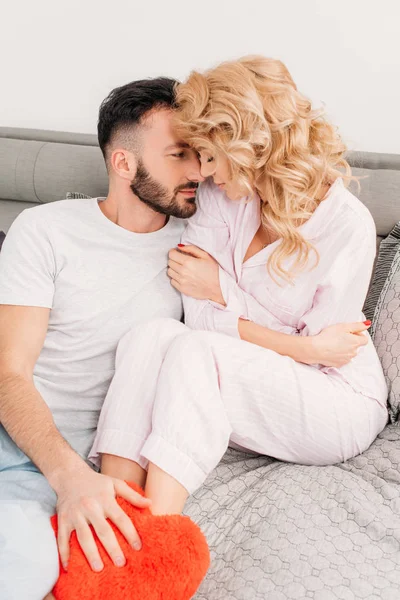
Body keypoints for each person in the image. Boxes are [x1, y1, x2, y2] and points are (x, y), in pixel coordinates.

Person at [89, 55, 389, 522]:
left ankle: (157, 538)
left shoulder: (346, 226)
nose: (203, 172)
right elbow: (200, 313)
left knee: (194, 352)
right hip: (278, 365)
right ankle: (111, 515)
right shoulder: (219, 199)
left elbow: (327, 356)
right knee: (148, 337)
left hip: (336, 399)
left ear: (250, 144)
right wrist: (298, 340)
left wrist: (225, 294)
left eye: (210, 154)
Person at [0, 77, 207, 600]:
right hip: (20, 438)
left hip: (71, 467)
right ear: (123, 164)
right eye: (179, 154)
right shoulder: (45, 230)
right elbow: (8, 370)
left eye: (200, 153)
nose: (198, 172)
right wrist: (69, 477)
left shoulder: (205, 246)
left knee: (25, 569)